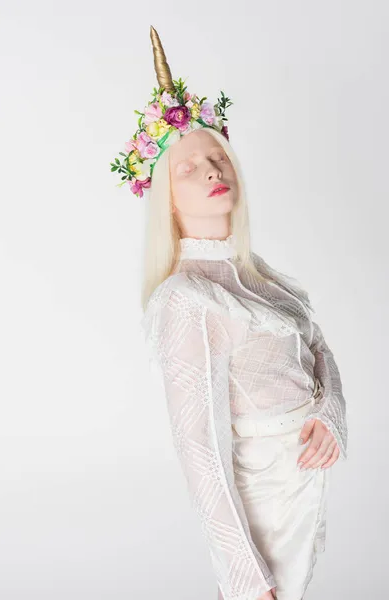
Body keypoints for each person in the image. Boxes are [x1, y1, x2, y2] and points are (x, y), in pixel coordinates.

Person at [111, 26, 348, 600]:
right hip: (259, 500)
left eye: (218, 156)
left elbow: (317, 345)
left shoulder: (262, 277)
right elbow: (200, 450)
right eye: (189, 168)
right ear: (165, 197)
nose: (213, 170)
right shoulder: (185, 299)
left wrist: (331, 415)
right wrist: (244, 571)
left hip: (301, 489)